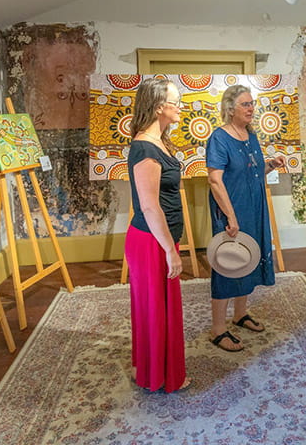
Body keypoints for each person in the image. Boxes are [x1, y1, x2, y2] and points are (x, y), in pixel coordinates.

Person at [205, 84, 286, 351]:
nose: (251, 108)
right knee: (227, 265)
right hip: (232, 210)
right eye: (246, 104)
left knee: (247, 261)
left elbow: (252, 171)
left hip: (254, 207)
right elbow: (215, 181)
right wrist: (230, 216)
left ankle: (240, 314)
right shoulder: (219, 138)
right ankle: (218, 329)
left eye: (252, 104)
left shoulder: (250, 136)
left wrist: (270, 165)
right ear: (230, 109)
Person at [126, 76, 189, 391]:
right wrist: (169, 250)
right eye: (175, 102)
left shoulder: (157, 141)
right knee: (155, 311)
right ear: (159, 107)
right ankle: (157, 375)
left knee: (158, 309)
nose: (180, 107)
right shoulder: (146, 148)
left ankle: (153, 369)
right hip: (151, 242)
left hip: (157, 238)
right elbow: (150, 207)